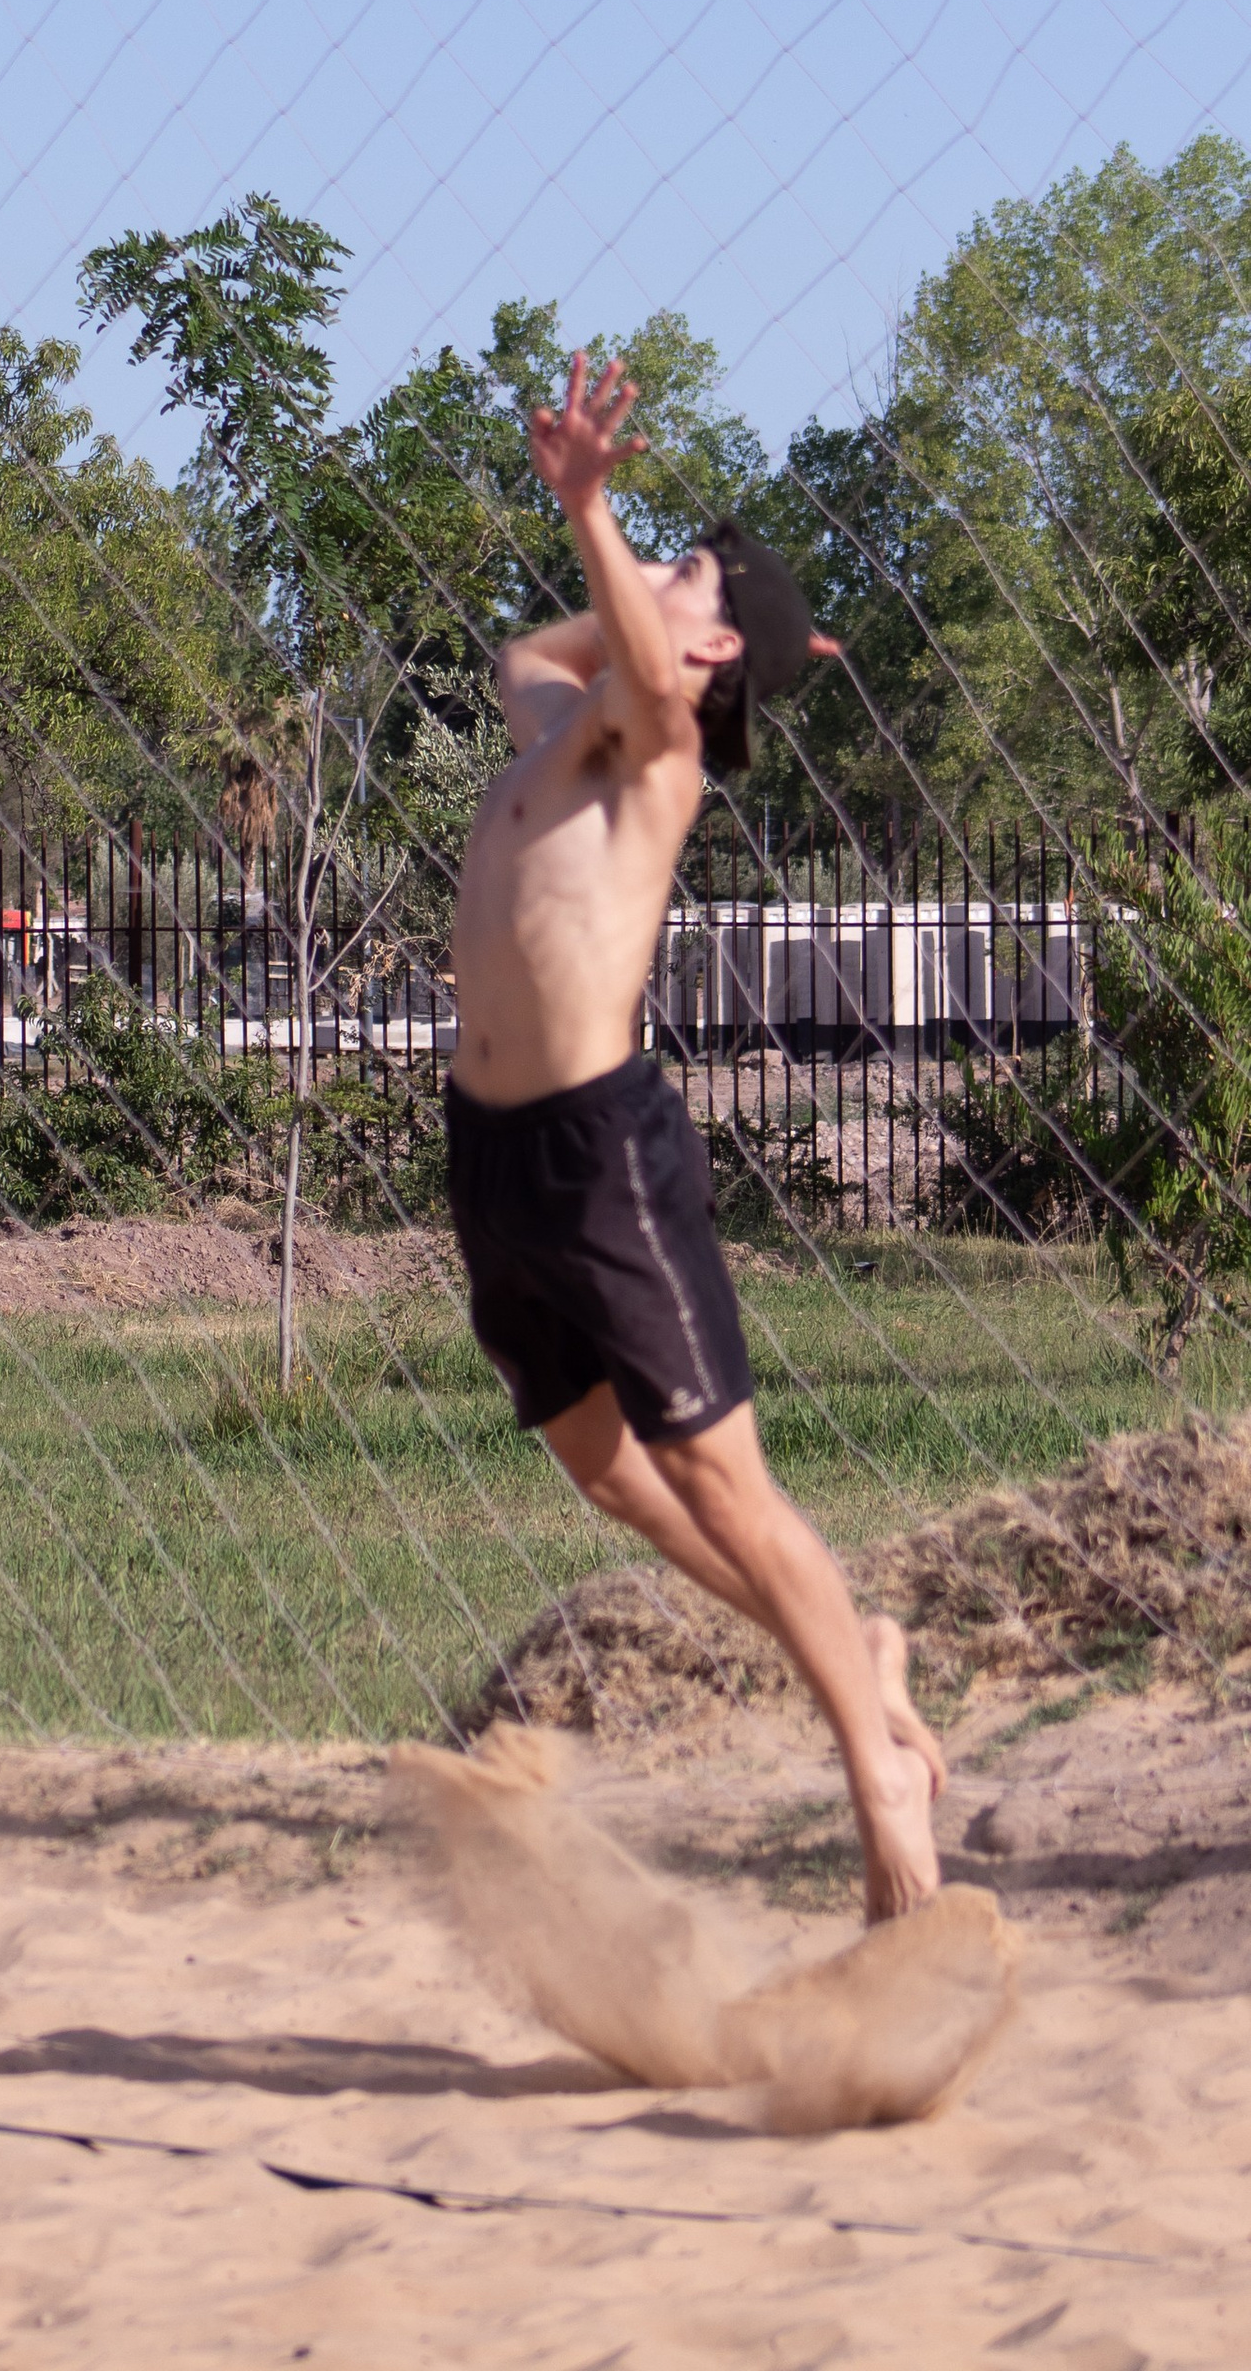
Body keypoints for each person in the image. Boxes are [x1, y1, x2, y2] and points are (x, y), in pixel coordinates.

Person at [446, 347, 944, 1919]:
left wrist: (602, 516)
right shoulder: (557, 729)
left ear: (713, 648)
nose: (644, 578)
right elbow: (538, 640)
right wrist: (667, 585)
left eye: (683, 574)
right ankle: (850, 1649)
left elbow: (658, 688)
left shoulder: (652, 758)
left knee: (723, 1481)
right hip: (493, 1158)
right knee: (603, 1472)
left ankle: (885, 1795)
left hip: (602, 1159)